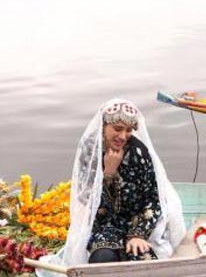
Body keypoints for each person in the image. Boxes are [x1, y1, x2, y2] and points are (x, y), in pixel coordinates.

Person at [52, 99, 186, 267]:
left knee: (143, 264)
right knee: (102, 261)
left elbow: (153, 198)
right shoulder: (90, 151)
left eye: (128, 130)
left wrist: (138, 234)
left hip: (136, 224)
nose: (123, 136)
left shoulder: (139, 153)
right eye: (117, 129)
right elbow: (87, 201)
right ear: (103, 126)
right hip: (103, 226)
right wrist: (108, 173)